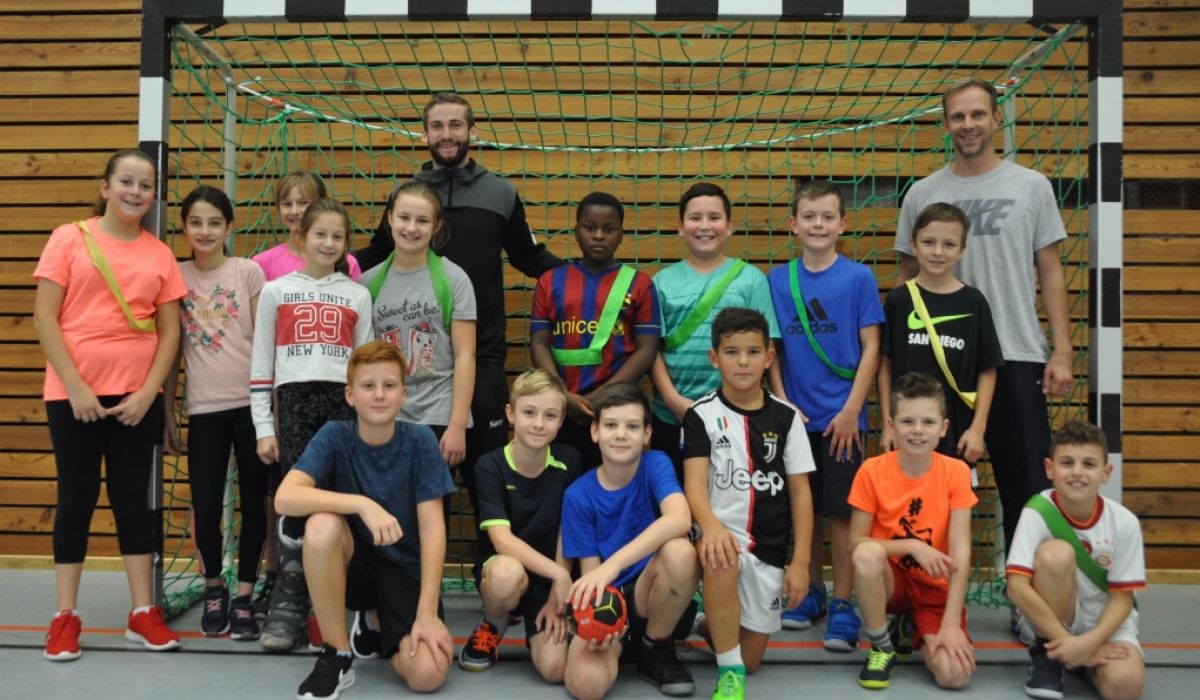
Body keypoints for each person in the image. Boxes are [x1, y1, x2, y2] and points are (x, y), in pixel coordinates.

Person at [355, 92, 562, 526]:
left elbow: (527, 256)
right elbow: (376, 252)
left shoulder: (501, 192)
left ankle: (496, 579)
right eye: (437, 126)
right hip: (418, 368)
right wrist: (322, 268)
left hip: (480, 354)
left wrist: (581, 276)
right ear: (424, 133)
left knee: (484, 473)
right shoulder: (407, 195)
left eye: (455, 125)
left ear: (472, 131)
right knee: (421, 485)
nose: (446, 135)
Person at [895, 77, 1074, 552]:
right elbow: (906, 281)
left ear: (997, 119)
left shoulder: (1032, 186)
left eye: (978, 115)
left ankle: (1028, 593)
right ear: (946, 123)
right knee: (929, 488)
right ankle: (925, 599)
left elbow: (1051, 271)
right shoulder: (921, 193)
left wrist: (1061, 350)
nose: (968, 124)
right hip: (942, 362)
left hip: (1015, 353)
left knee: (1027, 487)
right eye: (958, 116)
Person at [35, 149, 185, 660]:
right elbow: (45, 319)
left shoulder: (159, 254)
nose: (135, 192)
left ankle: (143, 613)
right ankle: (64, 617)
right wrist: (76, 386)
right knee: (76, 499)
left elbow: (170, 333)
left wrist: (147, 393)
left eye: (146, 185)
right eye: (126, 181)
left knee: (130, 501)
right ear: (105, 186)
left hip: (135, 400)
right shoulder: (68, 238)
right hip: (72, 395)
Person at [275, 341, 456, 699]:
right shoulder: (335, 436)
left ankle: (374, 625)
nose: (379, 395)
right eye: (368, 386)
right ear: (350, 395)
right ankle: (337, 654)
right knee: (321, 524)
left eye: (389, 386)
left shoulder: (420, 441)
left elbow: (434, 530)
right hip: (355, 563)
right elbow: (285, 497)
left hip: (404, 570)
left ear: (403, 394)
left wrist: (426, 614)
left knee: (427, 676)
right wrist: (360, 504)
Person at [251, 198, 374, 653]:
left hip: (342, 408)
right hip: (295, 405)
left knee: (338, 502)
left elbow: (366, 366)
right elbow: (262, 366)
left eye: (337, 236)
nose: (328, 243)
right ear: (301, 238)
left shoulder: (358, 295)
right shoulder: (276, 291)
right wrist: (265, 427)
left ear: (346, 244)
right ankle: (290, 601)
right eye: (319, 234)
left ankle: (334, 606)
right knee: (295, 503)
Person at [765, 180, 883, 648]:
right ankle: (812, 592)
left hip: (843, 422)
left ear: (843, 224)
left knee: (842, 514)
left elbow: (872, 346)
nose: (818, 224)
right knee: (804, 510)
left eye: (828, 217)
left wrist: (853, 408)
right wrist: (782, 403)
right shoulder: (777, 280)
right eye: (809, 216)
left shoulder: (858, 278)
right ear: (794, 224)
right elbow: (773, 349)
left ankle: (843, 603)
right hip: (796, 419)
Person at [682, 308, 816, 699]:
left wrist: (802, 561)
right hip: (720, 537)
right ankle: (729, 673)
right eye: (732, 352)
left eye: (753, 352)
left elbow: (800, 493)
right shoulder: (700, 415)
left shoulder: (788, 418)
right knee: (722, 556)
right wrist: (711, 526)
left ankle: (705, 623)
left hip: (769, 548)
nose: (743, 361)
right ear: (714, 358)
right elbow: (694, 483)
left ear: (769, 357)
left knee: (753, 657)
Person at [163, 186, 269, 639]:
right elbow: (169, 351)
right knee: (205, 506)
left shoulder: (247, 272)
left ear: (229, 227)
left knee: (254, 504)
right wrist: (167, 412)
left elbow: (267, 346)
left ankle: (244, 594)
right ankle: (213, 588)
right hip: (204, 411)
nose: (204, 230)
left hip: (251, 408)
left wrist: (271, 411)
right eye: (195, 222)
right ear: (185, 226)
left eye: (214, 222)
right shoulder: (174, 275)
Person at [561, 382, 699, 699]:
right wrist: (599, 624)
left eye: (632, 426)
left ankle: (656, 647)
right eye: (611, 425)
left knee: (680, 550)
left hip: (652, 596)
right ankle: (621, 648)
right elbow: (592, 575)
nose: (621, 434)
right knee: (588, 686)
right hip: (612, 603)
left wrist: (614, 565)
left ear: (647, 434)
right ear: (594, 431)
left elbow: (679, 518)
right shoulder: (577, 496)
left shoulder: (655, 464)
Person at [848, 372, 976, 690]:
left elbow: (960, 551)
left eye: (928, 422)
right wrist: (911, 546)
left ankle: (911, 624)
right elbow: (854, 543)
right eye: (907, 422)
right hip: (891, 583)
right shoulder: (872, 471)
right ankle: (881, 645)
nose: (917, 431)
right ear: (891, 426)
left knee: (954, 675)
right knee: (867, 554)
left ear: (944, 428)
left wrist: (950, 624)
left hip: (935, 588)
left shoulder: (956, 472)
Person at [1006, 421, 1146, 700]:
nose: (1077, 472)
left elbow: (1122, 598)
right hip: (1056, 617)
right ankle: (1052, 653)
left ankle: (1079, 660)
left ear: (1106, 473)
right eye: (1067, 463)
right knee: (1056, 554)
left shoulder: (1125, 522)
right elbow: (1016, 587)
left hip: (1104, 620)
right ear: (1050, 469)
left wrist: (1090, 643)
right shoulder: (1037, 511)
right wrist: (1069, 641)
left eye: (1089, 464)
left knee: (1126, 686)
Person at [458, 369, 581, 681]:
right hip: (508, 570)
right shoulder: (490, 465)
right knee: (505, 574)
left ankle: (541, 626)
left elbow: (571, 531)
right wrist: (560, 574)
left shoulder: (570, 461)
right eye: (529, 413)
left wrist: (557, 587)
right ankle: (494, 622)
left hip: (549, 578)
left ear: (561, 420)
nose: (539, 424)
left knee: (555, 671)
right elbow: (502, 540)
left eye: (550, 415)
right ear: (510, 414)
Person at [651, 182, 779, 477]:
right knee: (675, 502)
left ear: (730, 226)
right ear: (681, 227)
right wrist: (674, 401)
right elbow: (652, 350)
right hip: (673, 416)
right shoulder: (661, 282)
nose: (705, 226)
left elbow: (767, 346)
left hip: (737, 414)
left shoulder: (752, 280)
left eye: (714, 217)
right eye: (695, 218)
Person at [530, 191, 660, 469]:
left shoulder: (640, 284)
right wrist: (562, 395)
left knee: (614, 484)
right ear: (576, 232)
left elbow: (647, 350)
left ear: (622, 235)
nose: (599, 235)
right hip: (561, 409)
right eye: (590, 228)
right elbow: (539, 344)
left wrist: (604, 395)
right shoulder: (550, 281)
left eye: (609, 229)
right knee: (563, 486)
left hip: (618, 408)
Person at [360, 180, 476, 470]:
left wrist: (457, 425)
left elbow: (465, 356)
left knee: (431, 509)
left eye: (422, 220)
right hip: (385, 414)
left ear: (436, 226)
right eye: (404, 217)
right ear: (389, 219)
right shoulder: (368, 283)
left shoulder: (454, 279)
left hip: (437, 414)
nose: (411, 228)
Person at [880, 201, 1003, 472]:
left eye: (948, 244)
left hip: (955, 434)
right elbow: (885, 365)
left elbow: (988, 369)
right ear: (913, 245)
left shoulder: (974, 302)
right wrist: (888, 424)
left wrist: (978, 429)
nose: (937, 252)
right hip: (905, 434)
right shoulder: (899, 300)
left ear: (962, 250)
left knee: (953, 508)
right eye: (928, 242)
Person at [253, 170, 362, 282]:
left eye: (303, 203)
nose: (294, 211)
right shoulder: (263, 263)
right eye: (287, 204)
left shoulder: (348, 263)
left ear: (320, 206)